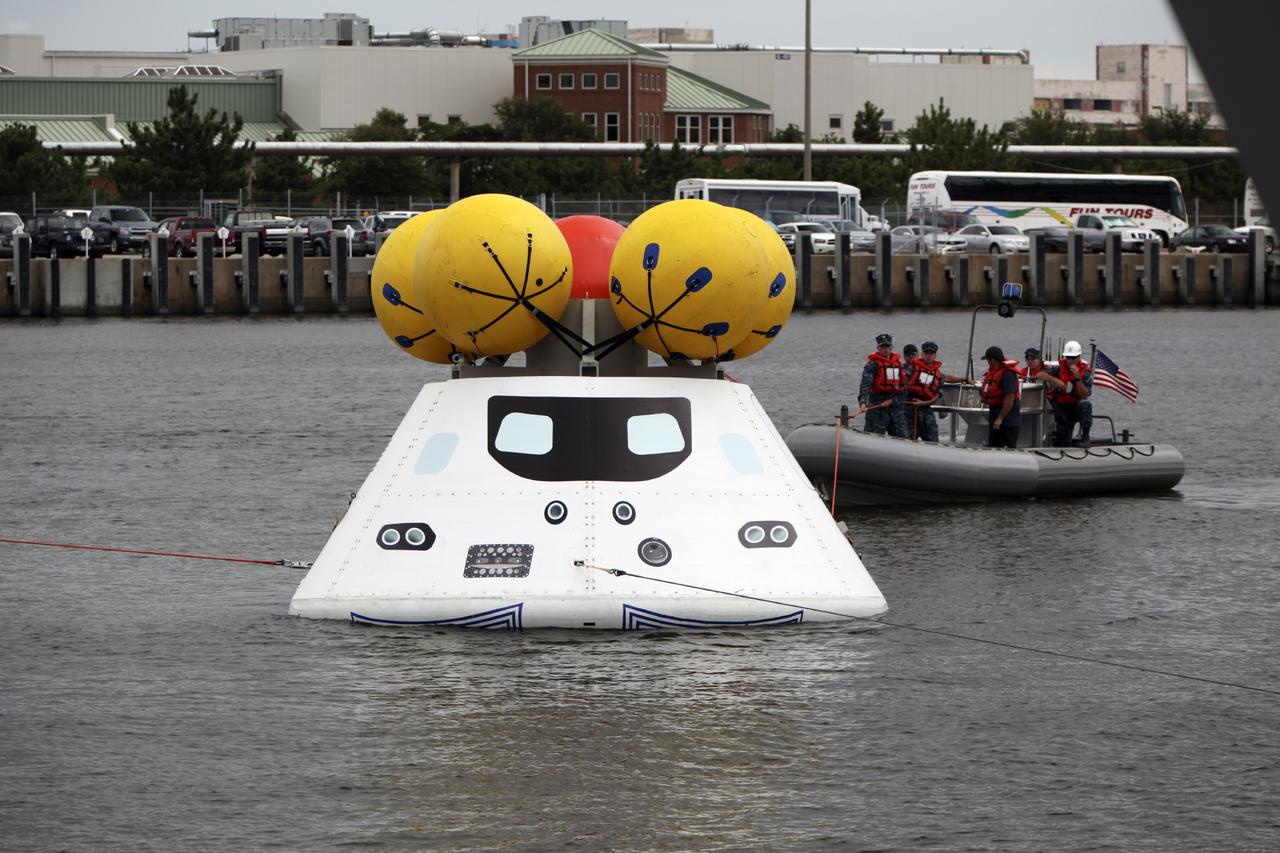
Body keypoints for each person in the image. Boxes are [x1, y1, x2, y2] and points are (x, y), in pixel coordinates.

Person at [904, 341, 967, 442]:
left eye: (931, 354)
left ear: (935, 355)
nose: (929, 356)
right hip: (910, 409)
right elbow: (901, 386)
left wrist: (965, 379)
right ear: (922, 355)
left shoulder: (938, 375)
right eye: (926, 353)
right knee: (909, 438)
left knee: (932, 437)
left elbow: (936, 396)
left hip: (926, 409)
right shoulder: (911, 369)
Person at [857, 333, 909, 438]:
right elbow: (865, 386)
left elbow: (905, 389)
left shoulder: (899, 365)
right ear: (878, 348)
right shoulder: (872, 365)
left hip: (895, 409)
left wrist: (892, 401)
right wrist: (863, 402)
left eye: (887, 347)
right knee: (872, 437)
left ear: (891, 347)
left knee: (903, 438)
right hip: (877, 408)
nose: (885, 349)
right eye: (883, 347)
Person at [1046, 340, 1093, 446]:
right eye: (1068, 357)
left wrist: (1078, 379)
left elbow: (1084, 394)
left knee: (1086, 405)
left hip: (1076, 407)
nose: (1070, 361)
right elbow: (1040, 374)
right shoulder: (1057, 369)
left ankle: (1085, 437)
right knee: (1062, 441)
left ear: (1079, 357)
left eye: (1073, 358)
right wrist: (1056, 381)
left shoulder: (1085, 373)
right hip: (1061, 408)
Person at [980, 345, 1021, 448]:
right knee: (994, 446)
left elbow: (1010, 397)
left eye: (988, 360)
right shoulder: (994, 373)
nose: (988, 363)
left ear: (993, 360)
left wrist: (1000, 418)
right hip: (995, 415)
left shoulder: (1007, 374)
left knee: (1008, 448)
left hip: (1007, 421)